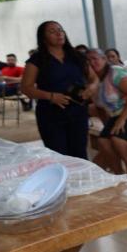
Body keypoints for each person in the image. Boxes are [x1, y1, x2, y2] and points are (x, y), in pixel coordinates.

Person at [21, 21, 97, 159]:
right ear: (44, 38)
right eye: (52, 31)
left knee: (80, 154)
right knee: (59, 155)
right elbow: (26, 88)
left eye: (60, 30)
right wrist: (50, 96)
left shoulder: (77, 56)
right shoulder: (37, 59)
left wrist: (91, 88)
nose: (59, 33)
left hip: (78, 112)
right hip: (51, 115)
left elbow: (94, 79)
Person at [86, 48, 127, 180]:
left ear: (104, 59)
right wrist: (108, 127)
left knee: (117, 138)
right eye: (89, 60)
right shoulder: (93, 81)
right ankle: (118, 174)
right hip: (117, 115)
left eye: (95, 58)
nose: (92, 62)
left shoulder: (115, 72)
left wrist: (121, 120)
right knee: (103, 140)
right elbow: (100, 109)